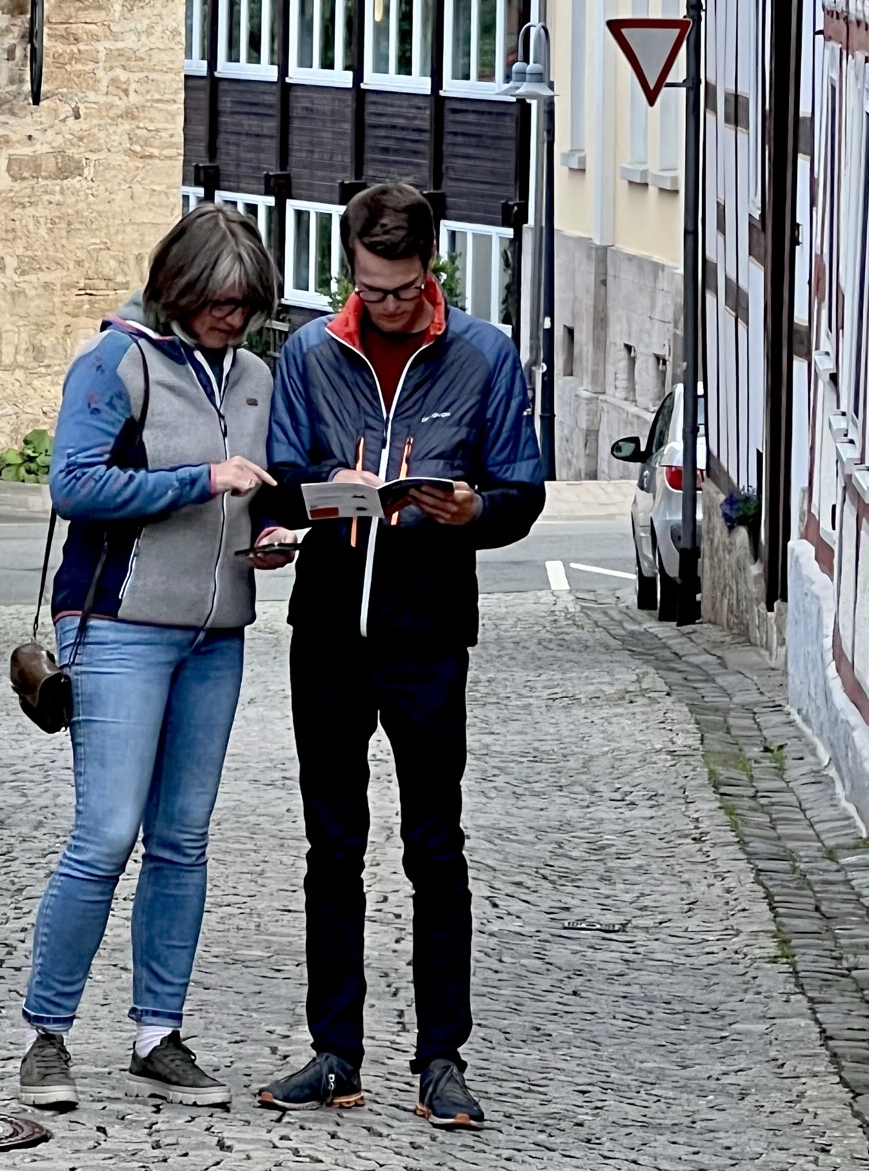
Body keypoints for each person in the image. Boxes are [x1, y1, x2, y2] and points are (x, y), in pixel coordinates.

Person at [252, 181, 545, 1131]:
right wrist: (320, 491)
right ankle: (335, 1052)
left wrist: (474, 512)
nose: (386, 305)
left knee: (435, 849)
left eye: (403, 288)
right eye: (371, 290)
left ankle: (441, 1058)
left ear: (432, 269)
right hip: (328, 632)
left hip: (427, 634)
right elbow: (278, 487)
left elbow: (522, 489)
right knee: (332, 848)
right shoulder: (308, 352)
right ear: (350, 272)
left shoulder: (484, 353)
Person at [19, 204, 290, 1114]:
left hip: (217, 635)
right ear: (177, 290)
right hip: (120, 626)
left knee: (183, 841)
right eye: (220, 303)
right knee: (104, 835)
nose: (234, 320)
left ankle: (156, 1034)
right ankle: (46, 1036)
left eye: (248, 305)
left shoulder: (253, 374)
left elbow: (263, 484)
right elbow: (75, 483)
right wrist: (203, 481)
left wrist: (273, 531)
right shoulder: (116, 363)